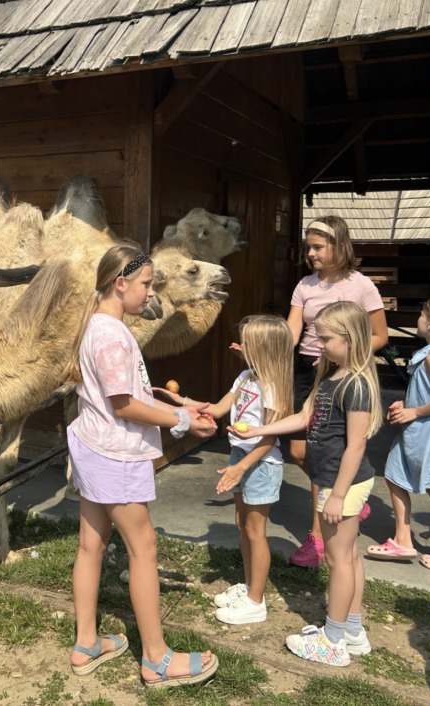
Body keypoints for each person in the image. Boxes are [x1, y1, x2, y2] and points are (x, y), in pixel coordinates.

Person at [65, 242, 219, 689]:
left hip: (94, 447)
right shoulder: (113, 335)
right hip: (116, 454)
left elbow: (125, 392)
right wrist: (182, 421)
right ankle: (156, 658)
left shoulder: (99, 326)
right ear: (121, 284)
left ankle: (87, 643)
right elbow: (124, 403)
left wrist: (179, 401)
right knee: (144, 547)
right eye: (147, 284)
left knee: (91, 545)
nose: (151, 293)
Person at [234, 301, 383, 666]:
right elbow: (302, 417)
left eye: (326, 338)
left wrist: (339, 495)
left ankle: (333, 642)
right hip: (334, 481)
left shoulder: (357, 385)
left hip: (341, 483)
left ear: (350, 339)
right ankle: (352, 630)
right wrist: (261, 429)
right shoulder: (330, 377)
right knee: (348, 556)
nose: (318, 345)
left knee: (338, 561)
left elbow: (357, 444)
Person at [155, 315, 293, 625]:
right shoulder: (245, 376)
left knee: (256, 531)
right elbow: (217, 409)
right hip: (240, 455)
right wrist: (183, 402)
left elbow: (269, 437)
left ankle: (256, 602)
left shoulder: (273, 386)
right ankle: (248, 587)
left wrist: (241, 468)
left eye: (247, 342)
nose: (240, 347)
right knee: (242, 524)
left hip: (259, 463)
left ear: (263, 348)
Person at [287, 216, 388, 568]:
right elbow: (292, 331)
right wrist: (263, 348)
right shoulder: (304, 285)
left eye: (318, 247)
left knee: (325, 453)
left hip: (343, 372)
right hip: (307, 370)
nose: (310, 254)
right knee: (301, 452)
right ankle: (353, 494)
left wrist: (342, 360)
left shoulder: (362, 287)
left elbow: (379, 337)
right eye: (308, 248)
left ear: (339, 246)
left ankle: (316, 538)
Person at [366, 297, 430, 573]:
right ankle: (402, 539)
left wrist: (414, 412)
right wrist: (406, 406)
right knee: (394, 476)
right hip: (416, 432)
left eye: (421, 313)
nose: (418, 319)